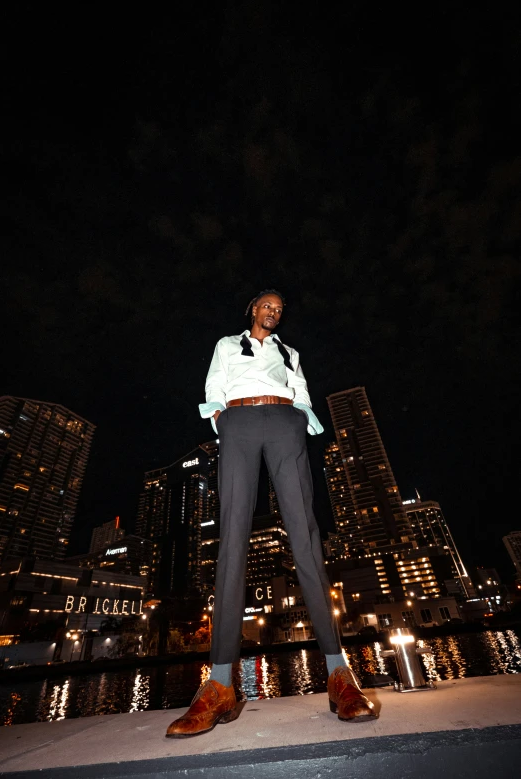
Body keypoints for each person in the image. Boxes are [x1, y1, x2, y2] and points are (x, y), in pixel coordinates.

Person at [166, 289, 376, 738]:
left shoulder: (290, 352)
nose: (274, 313)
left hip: (285, 423)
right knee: (232, 540)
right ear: (252, 310)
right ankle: (221, 683)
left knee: (306, 536)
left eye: (280, 310)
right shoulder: (227, 344)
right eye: (268, 306)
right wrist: (221, 419)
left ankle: (339, 675)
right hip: (238, 422)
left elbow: (300, 389)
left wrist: (301, 419)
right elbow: (213, 385)